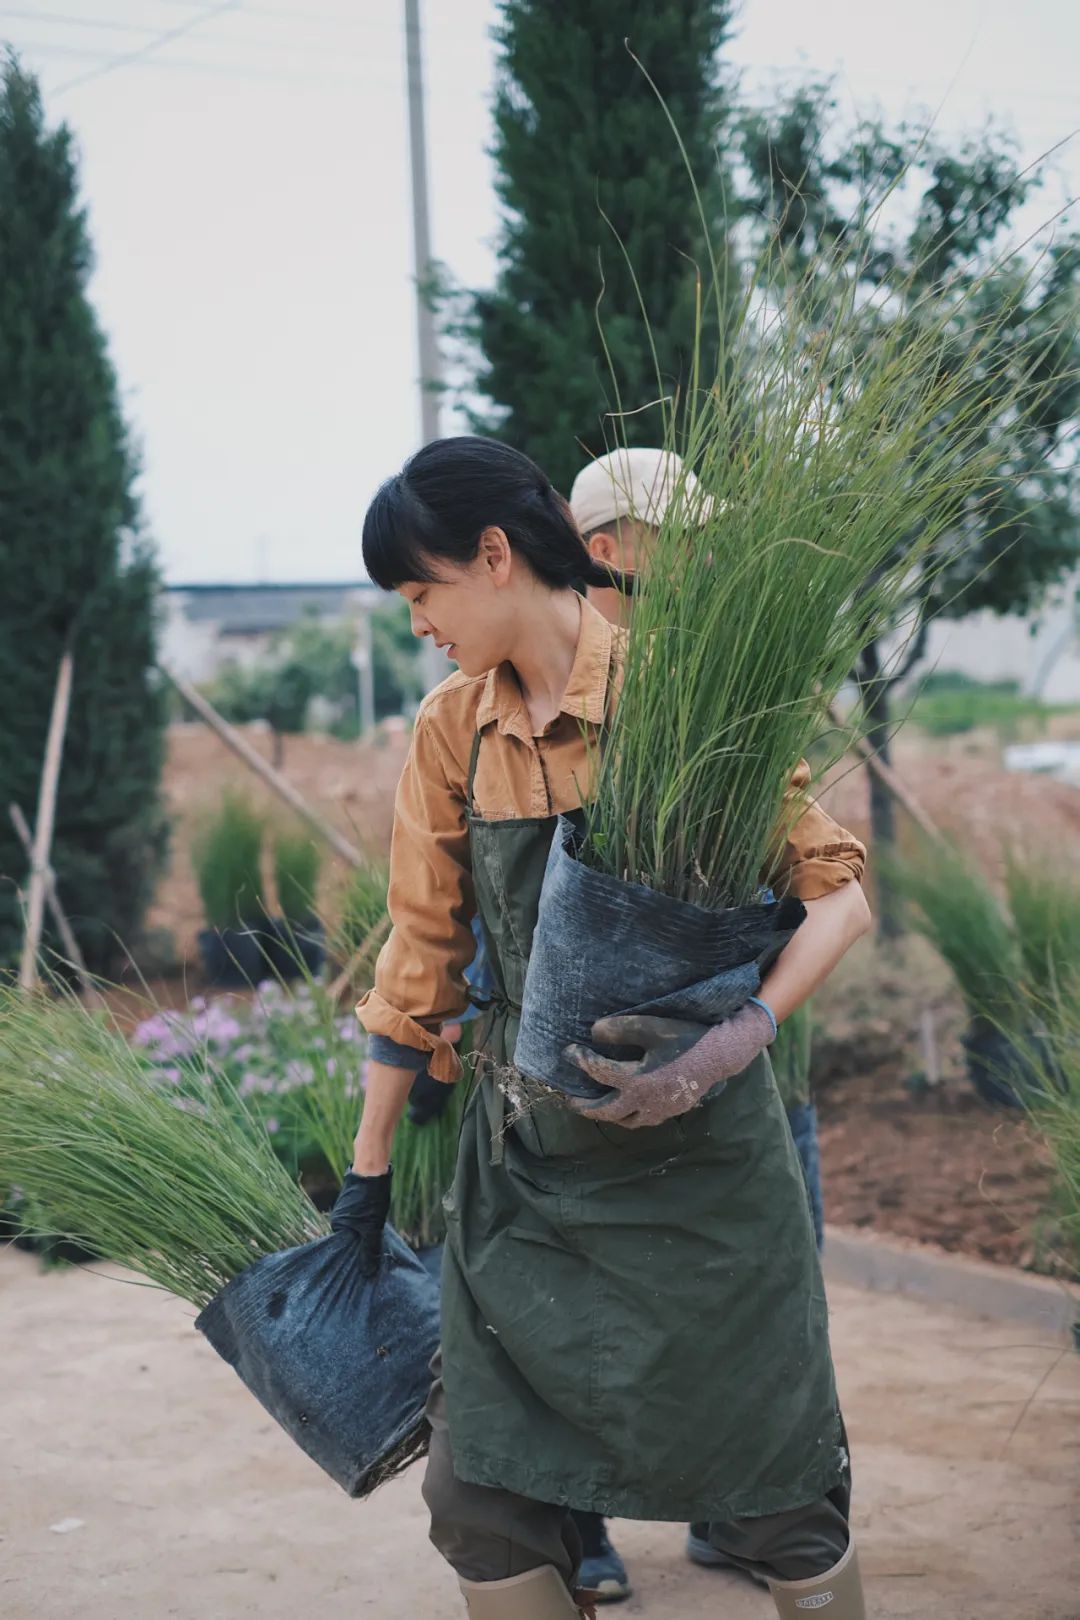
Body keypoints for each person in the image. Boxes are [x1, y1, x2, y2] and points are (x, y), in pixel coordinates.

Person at [350, 435, 871, 1620]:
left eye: (422, 592)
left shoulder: (688, 698)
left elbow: (838, 899)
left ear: (492, 556)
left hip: (704, 1176)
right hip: (529, 1176)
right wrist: (365, 1178)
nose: (418, 621)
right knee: (481, 1503)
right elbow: (418, 962)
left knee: (780, 1488)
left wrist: (737, 1036)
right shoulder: (450, 732)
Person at [568, 448, 831, 1599]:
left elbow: (834, 884)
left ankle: (742, 1515)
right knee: (572, 1300)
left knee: (761, 1298)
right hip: (579, 1066)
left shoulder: (730, 685)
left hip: (751, 1046)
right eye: (686, 533)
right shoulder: (547, 689)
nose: (711, 555)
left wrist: (742, 1037)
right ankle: (570, 1520)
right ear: (608, 549)